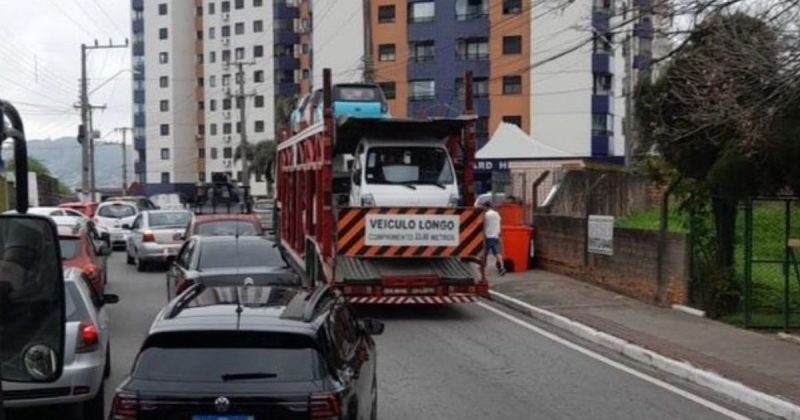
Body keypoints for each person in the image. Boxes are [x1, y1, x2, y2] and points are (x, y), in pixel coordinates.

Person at [483, 201, 506, 276]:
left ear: (486, 207)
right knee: (497, 253)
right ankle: (502, 267)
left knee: (484, 254)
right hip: (496, 236)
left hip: (487, 236)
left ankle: (483, 268)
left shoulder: (486, 215)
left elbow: (483, 223)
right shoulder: (497, 214)